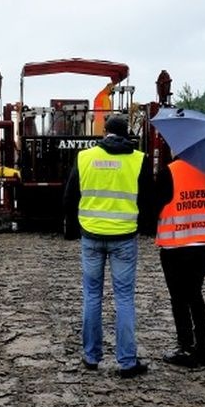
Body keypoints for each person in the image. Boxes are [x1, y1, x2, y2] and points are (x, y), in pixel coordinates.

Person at [63, 114, 154, 378]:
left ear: (105, 132)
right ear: (127, 134)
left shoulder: (85, 157)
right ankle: (127, 362)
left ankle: (91, 357)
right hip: (124, 238)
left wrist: (72, 228)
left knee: (92, 296)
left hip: (90, 236)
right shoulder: (139, 160)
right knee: (124, 298)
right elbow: (148, 201)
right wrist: (145, 229)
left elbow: (69, 197)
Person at [153, 157, 205, 368]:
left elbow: (155, 206)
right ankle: (203, 347)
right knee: (195, 294)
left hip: (175, 244)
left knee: (179, 297)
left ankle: (185, 346)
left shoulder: (169, 172)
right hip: (203, 243)